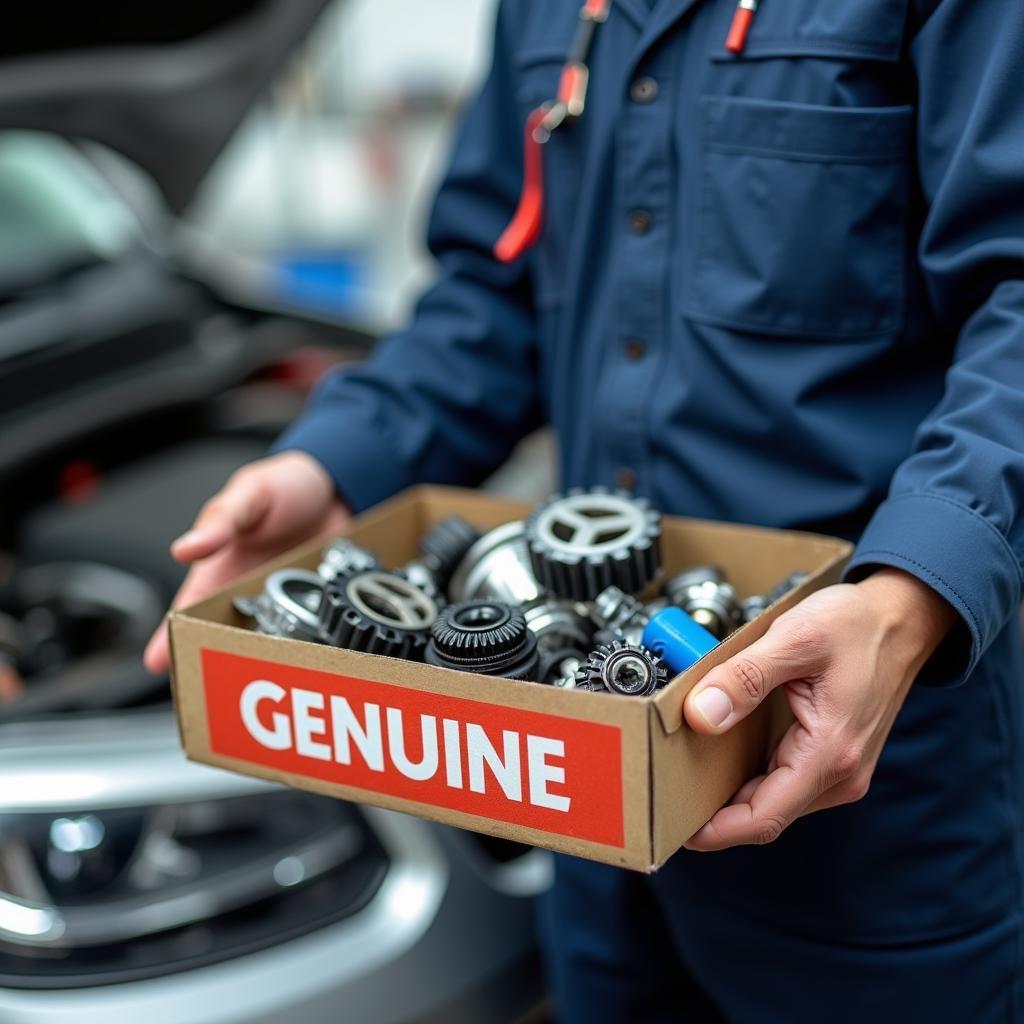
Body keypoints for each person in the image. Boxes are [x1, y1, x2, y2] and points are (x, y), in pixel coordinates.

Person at [145, 0, 1024, 1018]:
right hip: (587, 790)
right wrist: (338, 465)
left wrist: (910, 595)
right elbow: (494, 290)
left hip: (862, 780)